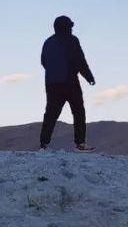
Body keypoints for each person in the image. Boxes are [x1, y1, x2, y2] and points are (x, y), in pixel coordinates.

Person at [39, 15, 96, 151]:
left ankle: (43, 144)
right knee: (78, 111)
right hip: (69, 81)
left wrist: (53, 72)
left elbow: (43, 61)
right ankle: (80, 143)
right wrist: (89, 77)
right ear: (67, 28)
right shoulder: (72, 40)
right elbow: (80, 61)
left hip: (51, 83)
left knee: (51, 114)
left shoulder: (48, 42)